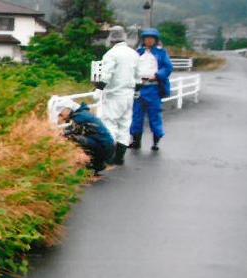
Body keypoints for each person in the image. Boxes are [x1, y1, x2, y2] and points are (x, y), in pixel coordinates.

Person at [95, 25, 140, 166]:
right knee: (124, 125)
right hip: (129, 94)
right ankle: (120, 157)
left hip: (114, 94)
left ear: (111, 38)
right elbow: (138, 77)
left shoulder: (111, 54)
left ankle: (109, 156)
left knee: (110, 123)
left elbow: (106, 76)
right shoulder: (134, 54)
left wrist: (98, 86)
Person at [129, 28, 173, 152]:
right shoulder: (138, 52)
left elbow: (168, 67)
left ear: (155, 40)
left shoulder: (161, 53)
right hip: (139, 87)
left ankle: (156, 141)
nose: (148, 41)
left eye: (151, 39)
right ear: (143, 40)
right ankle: (136, 141)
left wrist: (158, 75)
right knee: (137, 115)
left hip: (154, 88)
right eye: (146, 38)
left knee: (155, 115)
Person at [54, 98, 116, 173]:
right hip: (106, 146)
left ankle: (94, 163)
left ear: (68, 110)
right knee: (74, 137)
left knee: (73, 139)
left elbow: (71, 131)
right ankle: (95, 163)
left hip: (104, 149)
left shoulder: (80, 117)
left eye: (61, 114)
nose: (61, 116)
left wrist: (59, 134)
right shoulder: (81, 114)